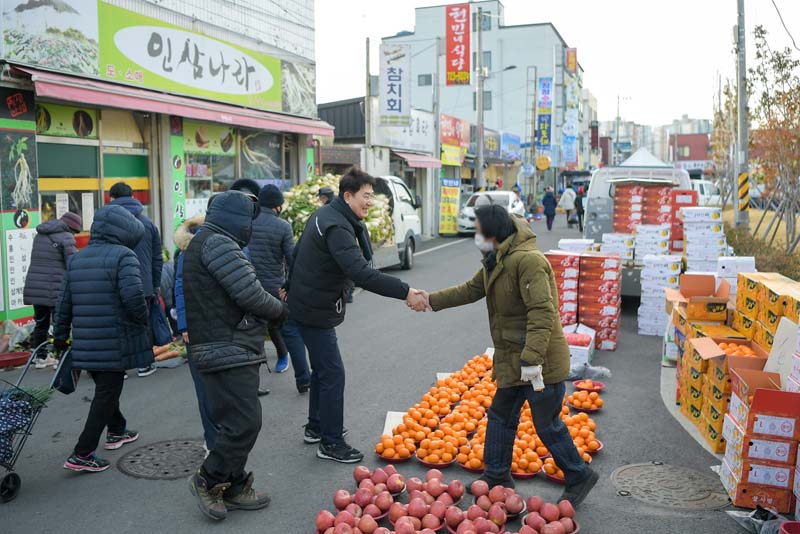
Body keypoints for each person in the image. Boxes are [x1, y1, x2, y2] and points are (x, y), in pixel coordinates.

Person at [417, 205, 598, 508]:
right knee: (501, 414)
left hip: (540, 362)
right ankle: (497, 475)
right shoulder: (496, 260)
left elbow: (542, 313)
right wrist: (430, 301)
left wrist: (532, 359)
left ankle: (579, 475)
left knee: (547, 424)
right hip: (514, 360)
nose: (476, 236)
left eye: (478, 230)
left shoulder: (528, 262)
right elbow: (470, 290)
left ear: (493, 232)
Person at [287, 166, 428, 464]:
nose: (370, 202)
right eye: (365, 196)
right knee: (333, 373)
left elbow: (298, 252)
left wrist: (288, 286)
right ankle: (331, 442)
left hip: (307, 302)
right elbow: (361, 273)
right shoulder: (337, 226)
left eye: (372, 196)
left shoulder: (325, 215)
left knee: (322, 371)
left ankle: (316, 426)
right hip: (314, 308)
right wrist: (405, 291)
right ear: (347, 195)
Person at [183, 190, 288, 521]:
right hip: (226, 346)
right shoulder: (218, 243)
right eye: (249, 221)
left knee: (235, 420)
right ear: (239, 220)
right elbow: (250, 293)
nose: (251, 229)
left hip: (225, 345)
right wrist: (280, 310)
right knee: (245, 422)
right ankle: (208, 479)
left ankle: (236, 484)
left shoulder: (210, 240)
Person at [55, 205, 150, 473]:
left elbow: (63, 303)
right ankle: (82, 452)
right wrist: (143, 321)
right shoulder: (124, 256)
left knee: (106, 390)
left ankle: (117, 429)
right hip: (114, 339)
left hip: (85, 341)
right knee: (107, 393)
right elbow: (134, 299)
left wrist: (59, 339)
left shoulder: (77, 259)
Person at [250, 185, 311, 394]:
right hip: (277, 290)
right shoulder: (283, 226)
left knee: (253, 335)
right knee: (291, 331)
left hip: (250, 288)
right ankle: (303, 379)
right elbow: (293, 259)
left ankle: (252, 385)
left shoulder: (248, 224)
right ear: (277, 206)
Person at [174, 210, 219, 456]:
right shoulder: (192, 247)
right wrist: (185, 325)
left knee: (211, 387)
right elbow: (180, 288)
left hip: (216, 325)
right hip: (201, 326)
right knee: (207, 386)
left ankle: (216, 437)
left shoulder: (227, 241)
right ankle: (213, 439)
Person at [109, 182, 163, 378]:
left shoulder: (108, 225)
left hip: (115, 283)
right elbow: (157, 258)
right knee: (143, 323)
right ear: (133, 197)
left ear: (112, 199)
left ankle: (120, 367)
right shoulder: (148, 223)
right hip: (144, 283)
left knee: (119, 324)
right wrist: (156, 284)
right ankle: (144, 365)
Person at [23, 212, 81, 369]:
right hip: (55, 286)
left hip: (35, 285)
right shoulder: (66, 237)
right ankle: (60, 357)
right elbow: (72, 263)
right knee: (60, 322)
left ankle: (40, 357)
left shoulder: (41, 234)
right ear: (72, 227)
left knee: (40, 323)